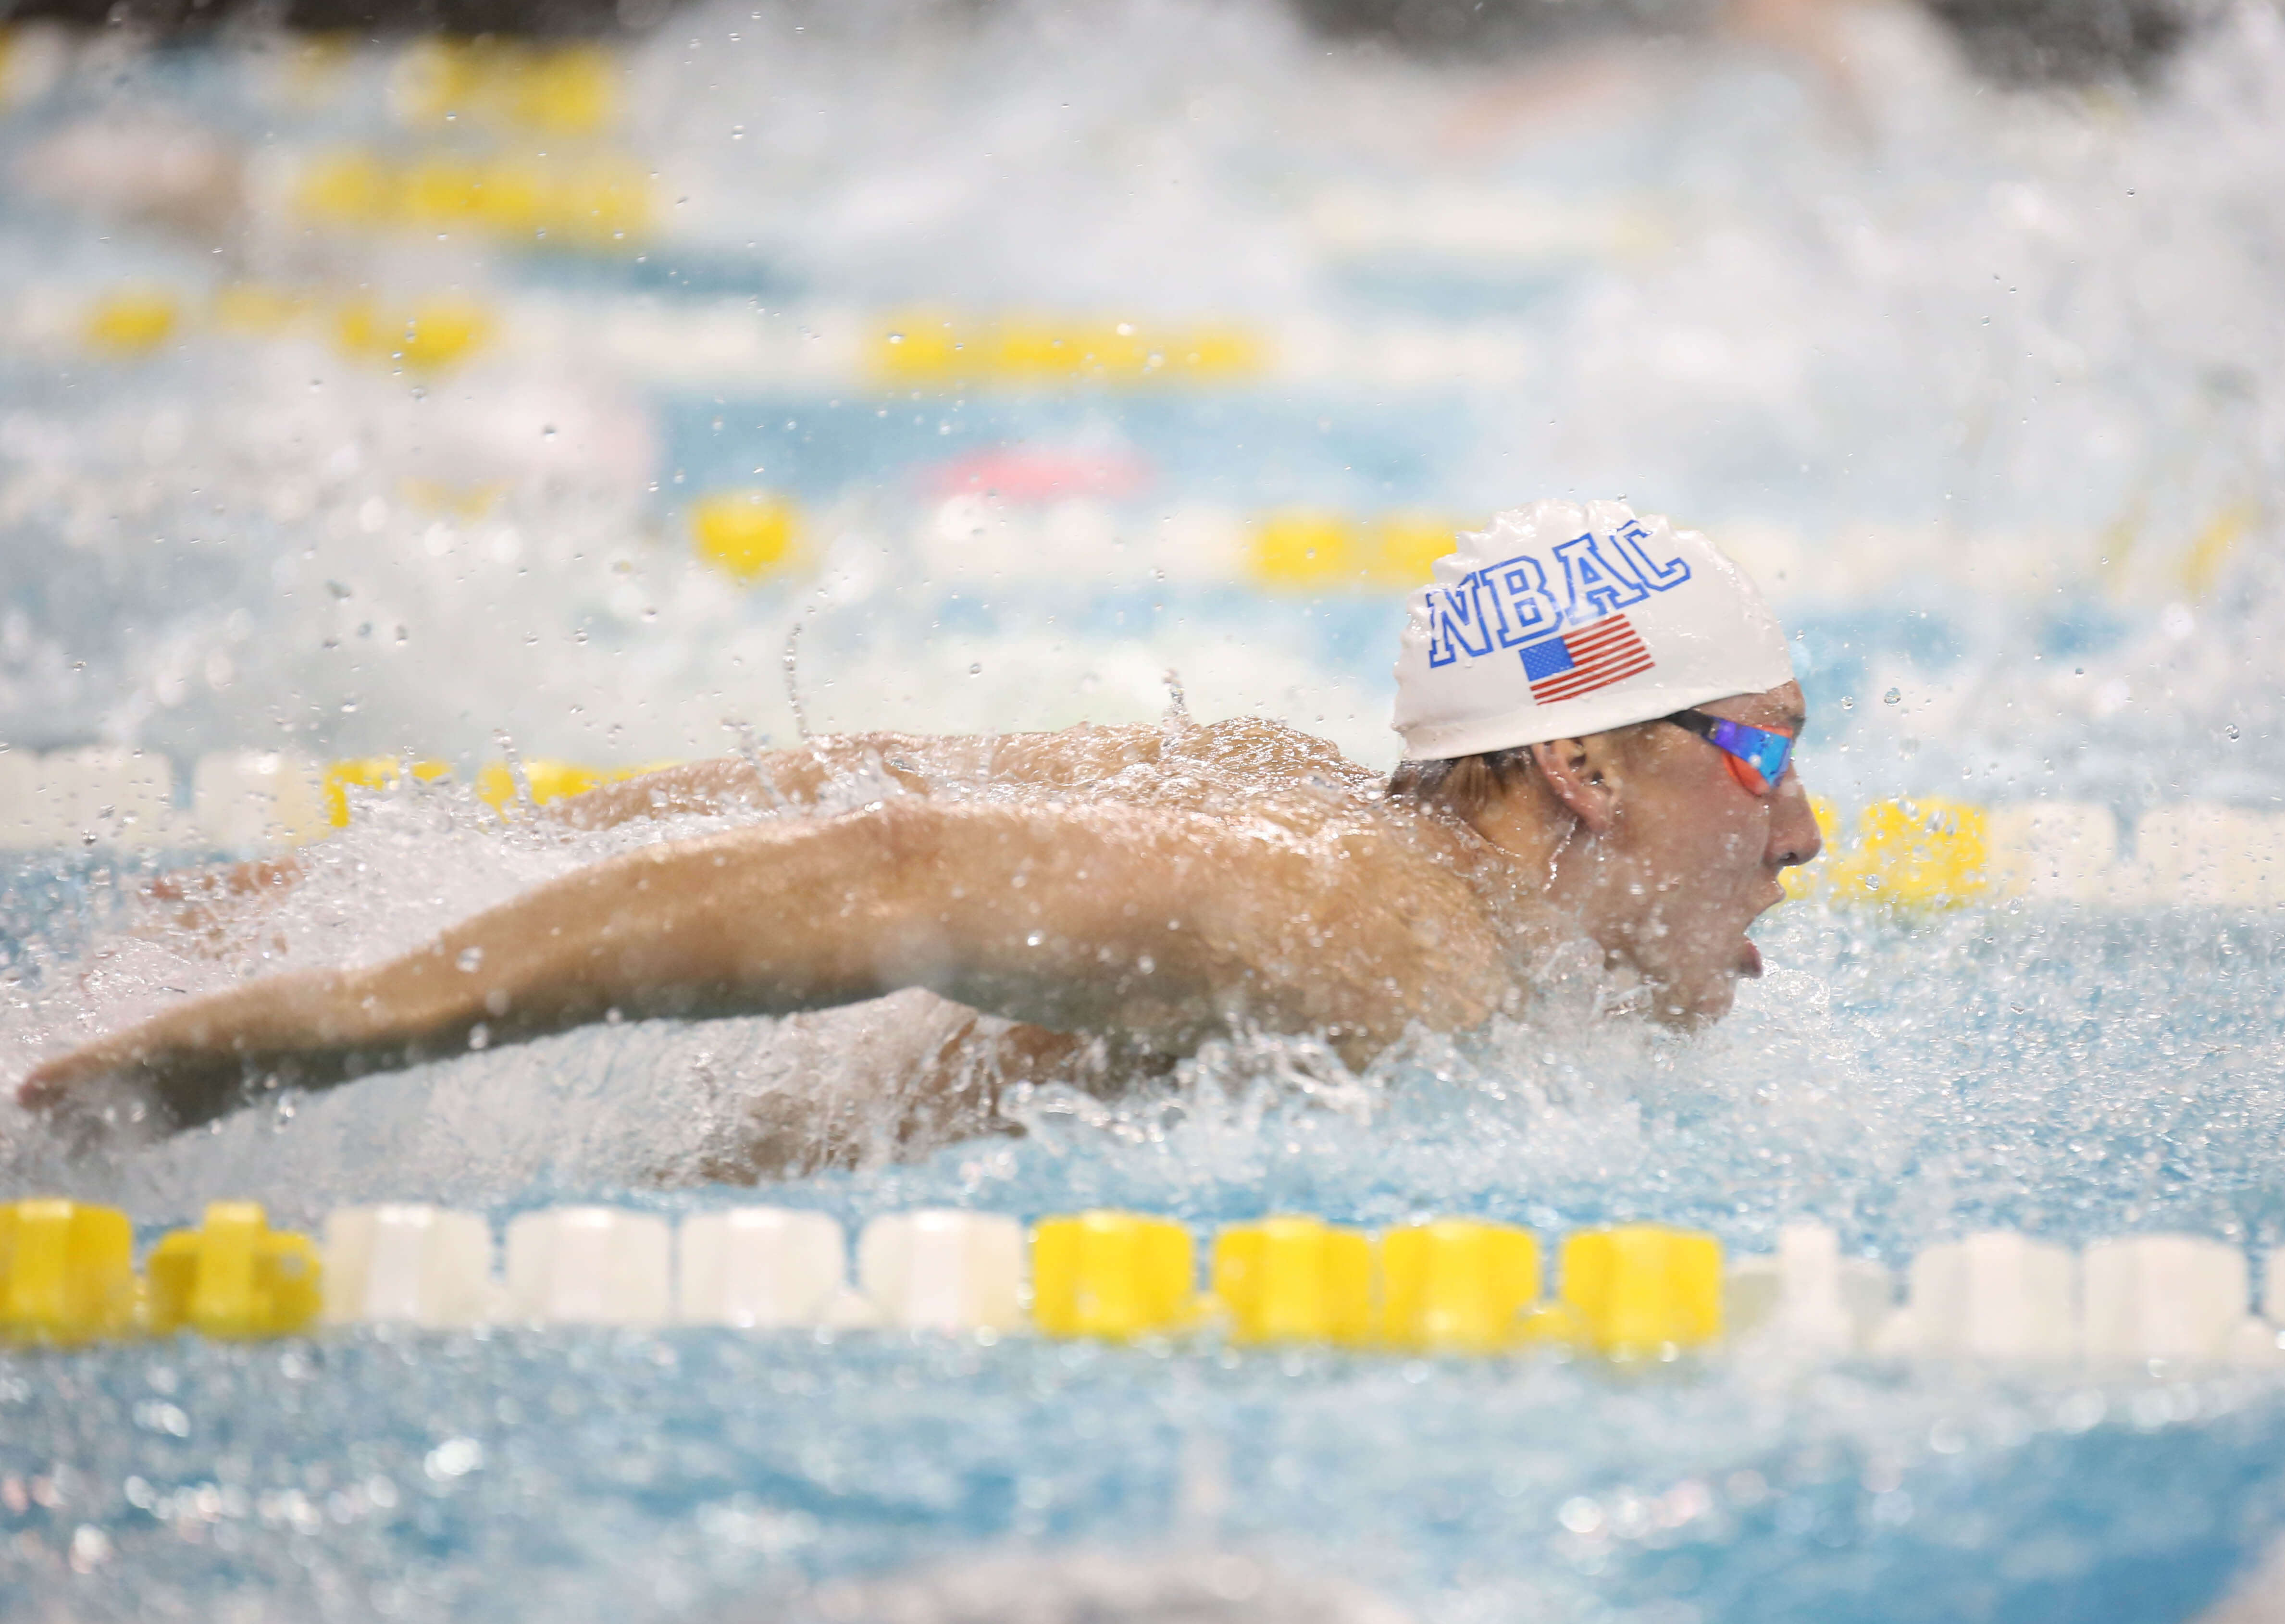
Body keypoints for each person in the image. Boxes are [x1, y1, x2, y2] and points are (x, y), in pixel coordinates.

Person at [16, 501, 1820, 1171]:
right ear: (1582, 765)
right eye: (1762, 754)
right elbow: (899, 874)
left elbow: (852, 780)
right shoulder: (1374, 938)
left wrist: (350, 892)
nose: (1803, 831)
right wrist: (340, 1012)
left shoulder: (1311, 798)